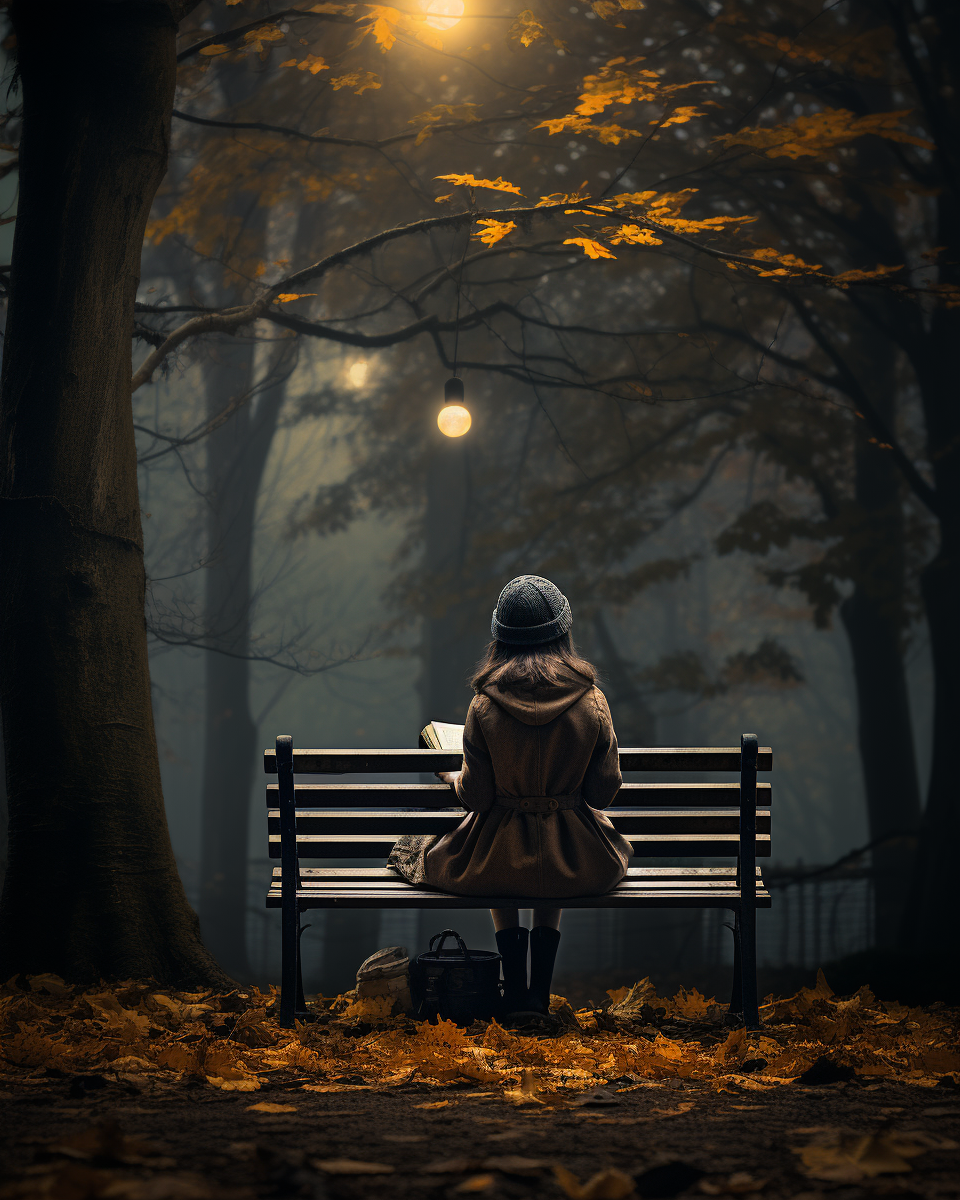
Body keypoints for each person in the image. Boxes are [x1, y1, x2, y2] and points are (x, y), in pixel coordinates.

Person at [389, 575, 631, 1021]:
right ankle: (539, 994)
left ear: (501, 638)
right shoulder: (592, 700)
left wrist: (450, 773)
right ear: (563, 633)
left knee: (489, 845)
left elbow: (477, 799)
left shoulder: (484, 704)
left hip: (496, 861)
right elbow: (603, 791)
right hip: (576, 863)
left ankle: (514, 991)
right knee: (551, 848)